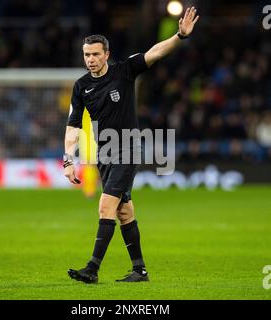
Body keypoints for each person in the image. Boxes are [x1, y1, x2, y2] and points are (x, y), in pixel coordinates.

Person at [64, 7, 199, 283]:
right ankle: (140, 270)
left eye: (95, 54)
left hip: (127, 149)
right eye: (87, 55)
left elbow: (155, 52)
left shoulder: (124, 72)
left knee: (105, 206)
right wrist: (68, 159)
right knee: (124, 211)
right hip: (105, 153)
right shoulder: (80, 87)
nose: (90, 59)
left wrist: (179, 36)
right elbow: (73, 125)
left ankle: (92, 268)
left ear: (106, 55)